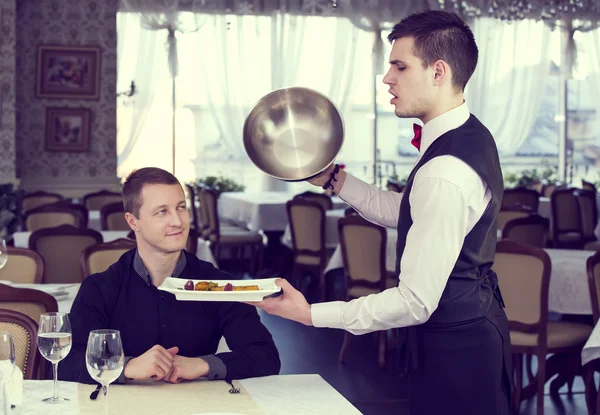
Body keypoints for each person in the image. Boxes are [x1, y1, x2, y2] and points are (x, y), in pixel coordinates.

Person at [254, 10, 511, 415]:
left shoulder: (445, 171)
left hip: (458, 352)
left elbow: (414, 302)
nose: (387, 78)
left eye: (400, 65)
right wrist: (334, 179)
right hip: (466, 333)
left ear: (438, 72)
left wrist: (310, 314)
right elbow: (411, 212)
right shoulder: (467, 133)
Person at [59, 167, 280, 384]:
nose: (177, 221)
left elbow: (265, 356)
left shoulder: (217, 285)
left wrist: (202, 365)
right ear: (133, 221)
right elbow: (68, 362)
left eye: (181, 207)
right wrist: (127, 366)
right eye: (162, 211)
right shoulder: (98, 288)